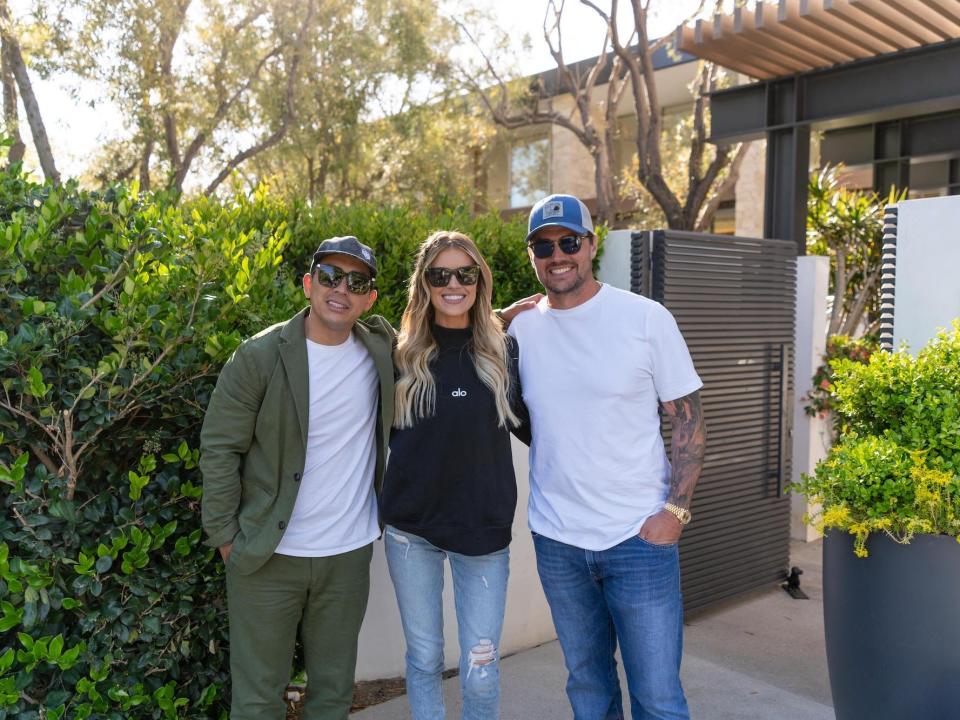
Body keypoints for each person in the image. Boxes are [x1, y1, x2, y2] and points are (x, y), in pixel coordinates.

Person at [506, 194, 707, 720]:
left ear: (592, 244)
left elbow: (688, 418)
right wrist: (498, 314)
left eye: (569, 242)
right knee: (589, 691)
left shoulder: (645, 318)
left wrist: (675, 512)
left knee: (659, 698)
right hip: (559, 541)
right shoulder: (520, 330)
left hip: (638, 538)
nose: (558, 255)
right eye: (543, 246)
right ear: (532, 256)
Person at [199, 236, 395, 720]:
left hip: (347, 557)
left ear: (369, 298)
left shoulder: (380, 349)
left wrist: (512, 314)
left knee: (331, 696)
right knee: (258, 700)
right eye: (329, 276)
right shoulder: (259, 356)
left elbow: (448, 329)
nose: (341, 289)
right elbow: (220, 446)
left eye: (357, 282)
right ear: (309, 284)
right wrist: (226, 538)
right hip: (268, 555)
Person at [379, 230, 532, 720]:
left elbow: (543, 424)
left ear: (479, 281)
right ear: (423, 283)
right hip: (410, 532)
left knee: (481, 669)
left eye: (464, 274)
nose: (452, 283)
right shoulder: (398, 356)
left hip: (482, 533)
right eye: (439, 274)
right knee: (423, 660)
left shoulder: (503, 352)